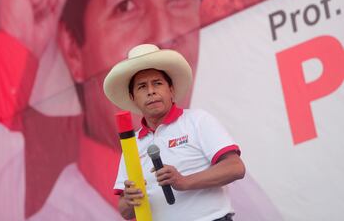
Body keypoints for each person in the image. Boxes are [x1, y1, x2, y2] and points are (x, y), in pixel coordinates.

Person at [0, 0, 206, 220]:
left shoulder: (236, 194)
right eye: (126, 5)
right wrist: (15, 46)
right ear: (73, 52)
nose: (163, 35)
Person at [104, 44, 246, 220]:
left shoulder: (197, 120)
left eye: (157, 83)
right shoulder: (132, 144)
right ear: (133, 98)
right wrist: (129, 200)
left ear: (171, 90)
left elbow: (235, 167)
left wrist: (184, 181)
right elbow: (125, 212)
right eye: (142, 87)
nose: (151, 91)